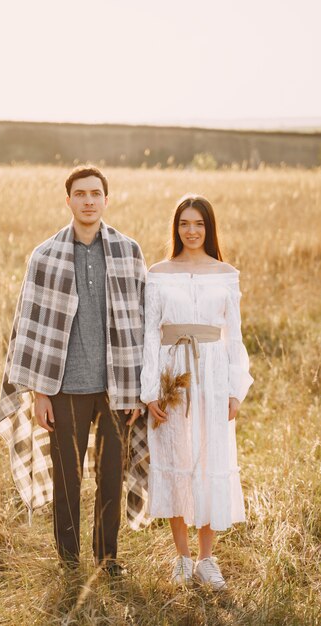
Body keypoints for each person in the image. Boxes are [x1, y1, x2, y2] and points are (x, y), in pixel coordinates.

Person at [0, 165, 148, 576]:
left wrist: (138, 390)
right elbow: (26, 326)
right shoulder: (44, 256)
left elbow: (143, 321)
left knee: (111, 477)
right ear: (68, 200)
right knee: (68, 479)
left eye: (95, 193)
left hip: (117, 387)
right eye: (80, 194)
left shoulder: (128, 251)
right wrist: (39, 393)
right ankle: (68, 562)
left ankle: (107, 559)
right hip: (64, 388)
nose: (88, 201)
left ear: (105, 199)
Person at [140, 193, 253, 590]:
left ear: (209, 228)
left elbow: (235, 335)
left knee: (208, 460)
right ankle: (182, 558)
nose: (191, 231)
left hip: (213, 374)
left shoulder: (226, 273)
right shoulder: (157, 272)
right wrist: (149, 389)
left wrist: (236, 389)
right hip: (173, 376)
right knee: (175, 458)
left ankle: (207, 559)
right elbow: (150, 335)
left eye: (199, 224)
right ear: (176, 227)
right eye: (184, 224)